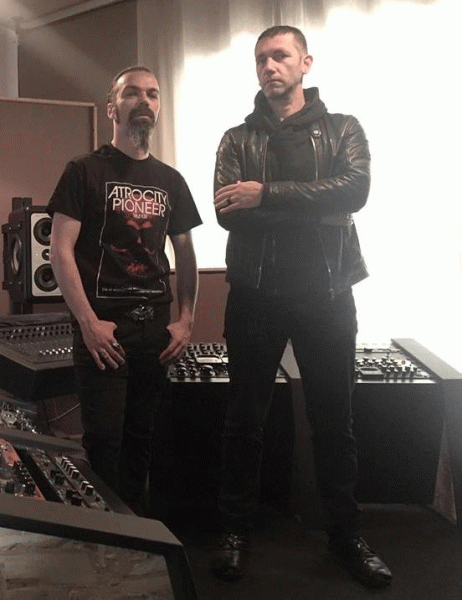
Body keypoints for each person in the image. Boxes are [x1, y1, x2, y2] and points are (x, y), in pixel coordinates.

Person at [210, 26, 392, 588]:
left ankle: (346, 535)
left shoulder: (343, 129)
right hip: (255, 297)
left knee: (335, 423)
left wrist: (265, 194)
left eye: (280, 56)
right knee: (244, 422)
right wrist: (315, 205)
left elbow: (354, 191)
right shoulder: (236, 139)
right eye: (261, 59)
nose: (269, 66)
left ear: (305, 62)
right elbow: (227, 213)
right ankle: (233, 530)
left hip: (327, 296)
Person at [48, 66, 202, 515]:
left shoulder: (171, 180)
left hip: (155, 330)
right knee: (103, 442)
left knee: (142, 438)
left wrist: (186, 320)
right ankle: (104, 539)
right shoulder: (84, 171)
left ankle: (136, 534)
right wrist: (87, 322)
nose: (144, 101)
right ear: (112, 108)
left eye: (152, 94)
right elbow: (60, 251)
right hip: (105, 331)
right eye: (132, 93)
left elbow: (185, 253)